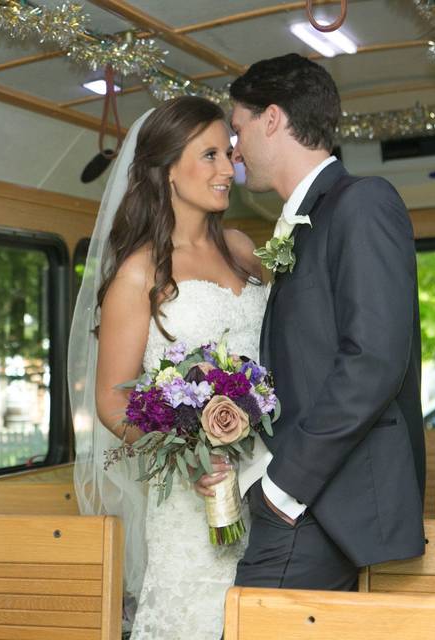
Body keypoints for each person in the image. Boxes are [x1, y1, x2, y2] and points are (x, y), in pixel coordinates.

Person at [197, 53, 426, 591]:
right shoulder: (304, 221)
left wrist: (282, 488)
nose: (234, 148)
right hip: (307, 498)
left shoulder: (361, 202)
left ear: (272, 119)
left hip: (323, 499)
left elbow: (372, 362)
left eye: (238, 128)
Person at [69, 96, 267, 639]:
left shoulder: (243, 249)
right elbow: (112, 400)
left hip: (271, 481)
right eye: (210, 156)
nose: (229, 169)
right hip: (192, 498)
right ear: (168, 171)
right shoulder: (139, 273)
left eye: (228, 153)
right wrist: (186, 458)